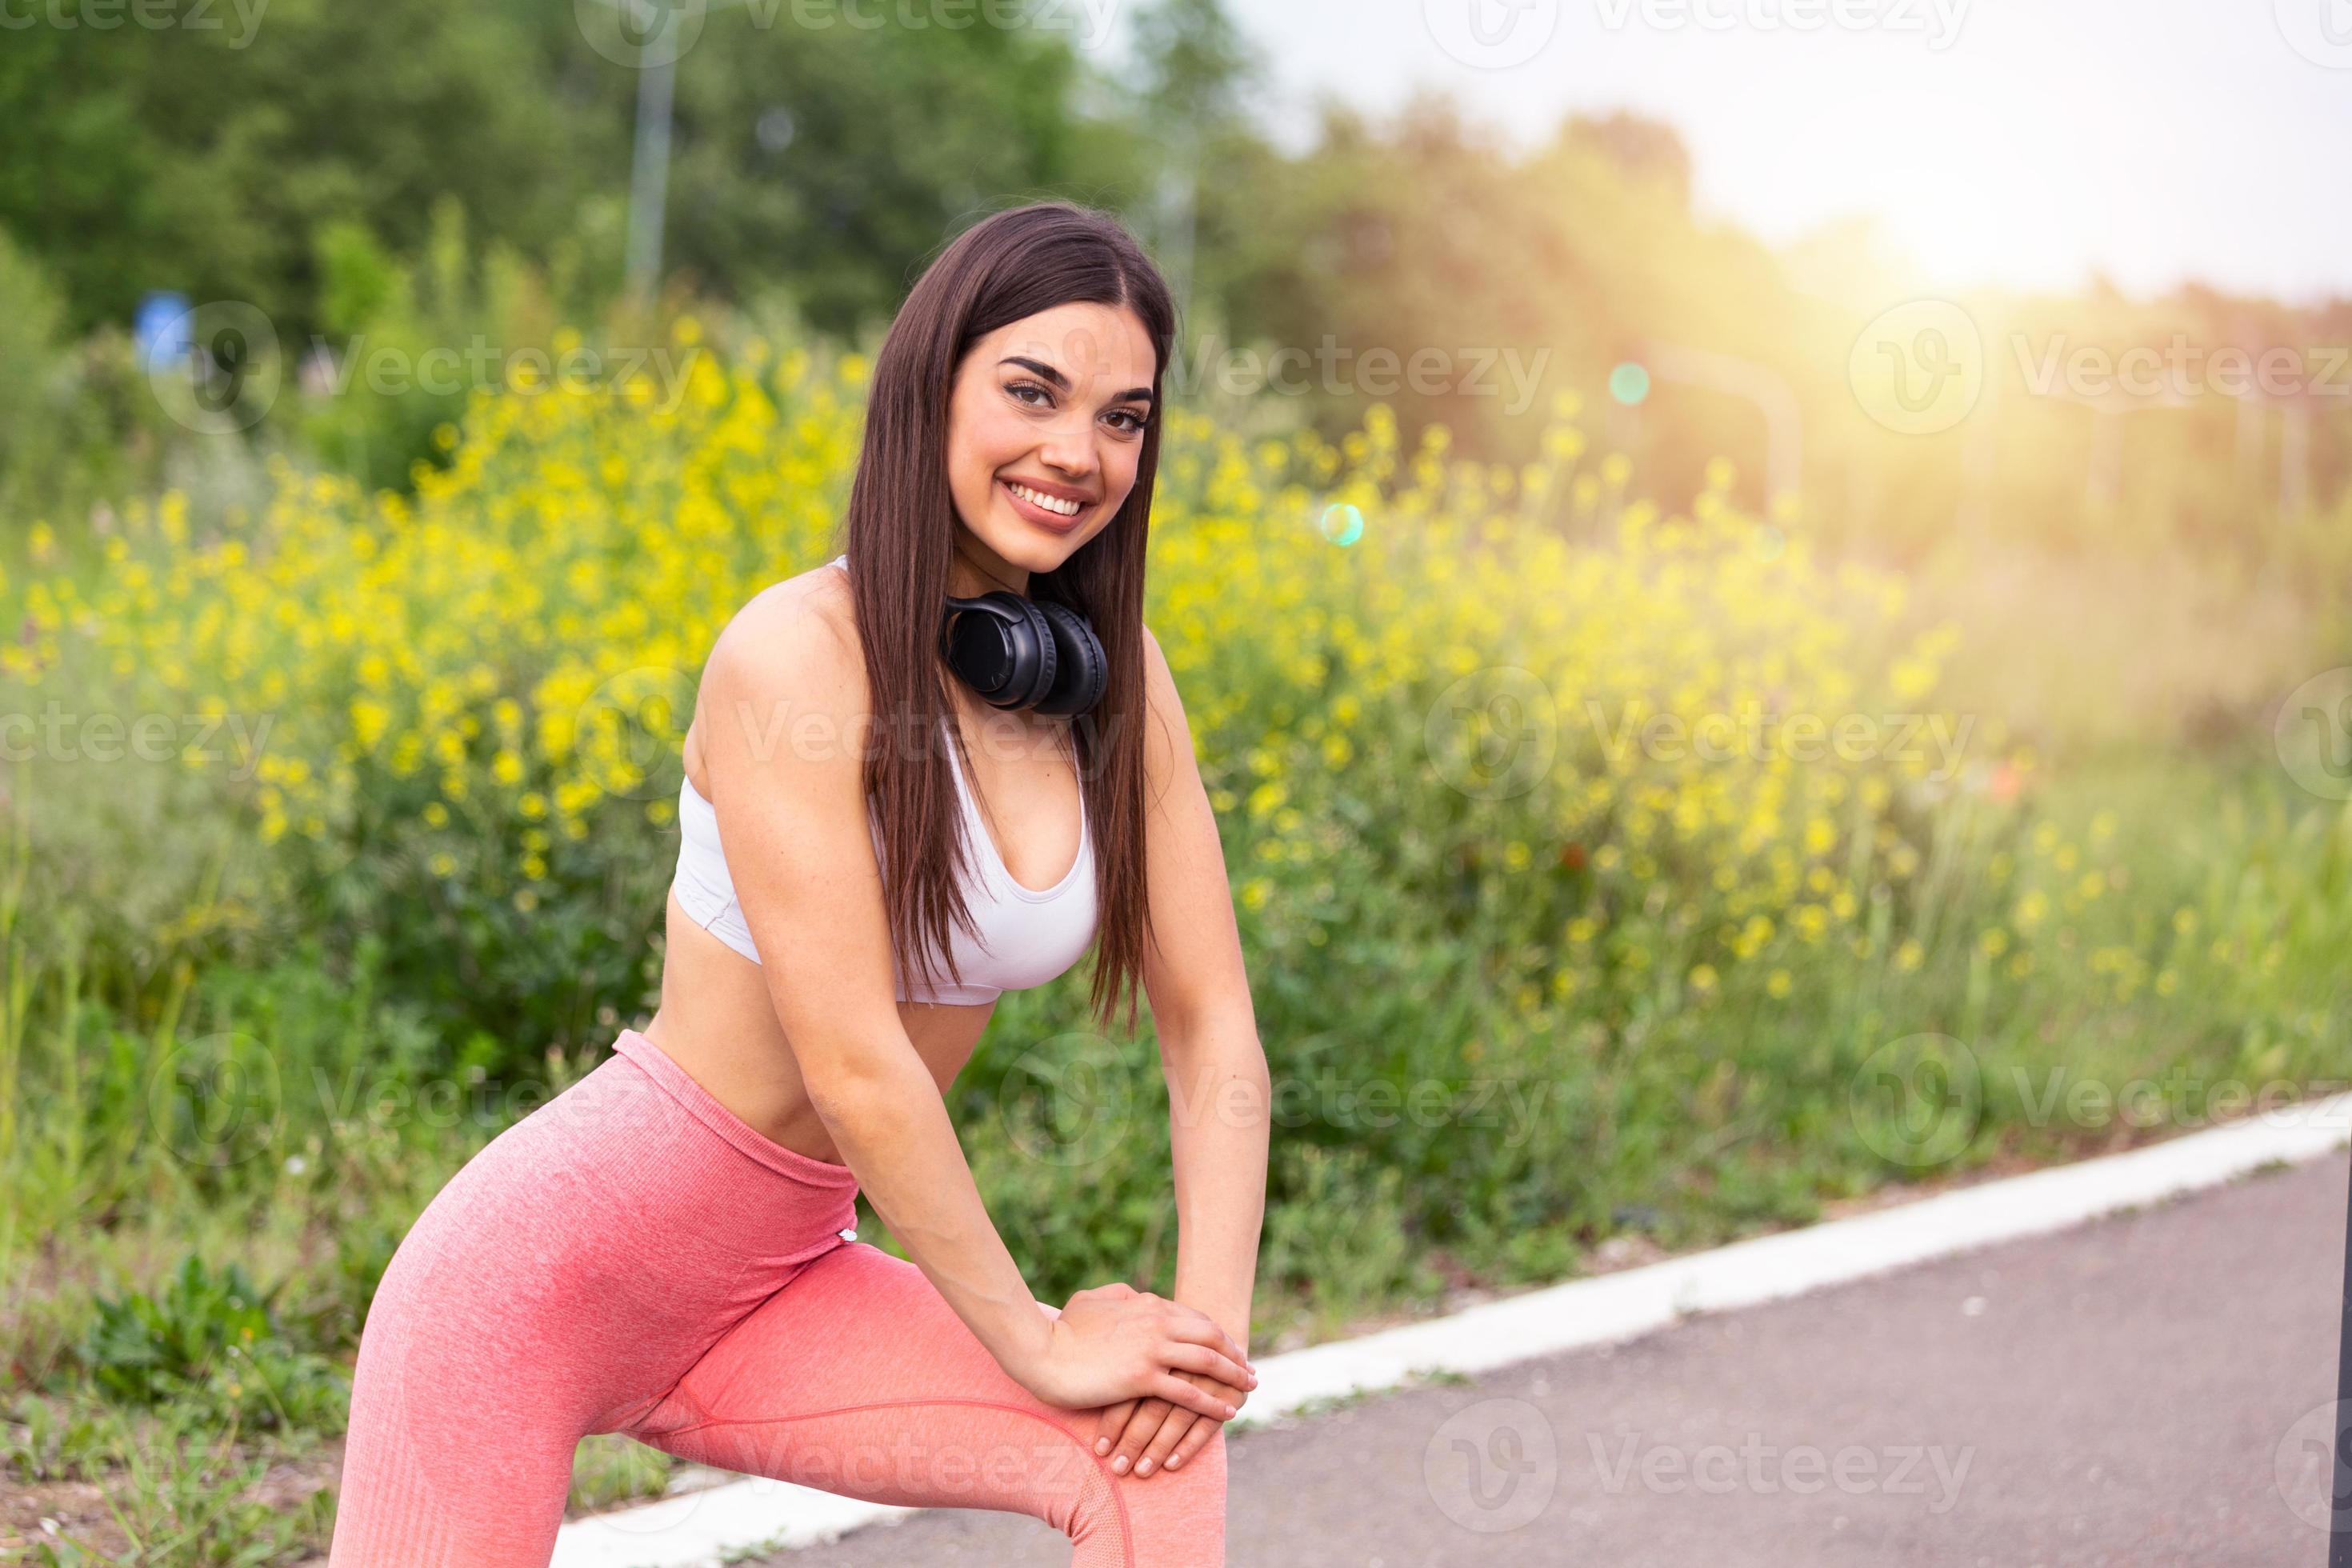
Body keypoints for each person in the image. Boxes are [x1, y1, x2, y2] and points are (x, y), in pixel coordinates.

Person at [327, 201, 1273, 1566]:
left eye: (1124, 418)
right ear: (930, 387)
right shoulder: (794, 659)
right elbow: (855, 1063)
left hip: (782, 1276)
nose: (1079, 452)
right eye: (1032, 392)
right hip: (538, 1284)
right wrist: (1035, 1337)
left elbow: (1213, 1020)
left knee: (1151, 1463)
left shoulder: (1116, 684)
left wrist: (1207, 1343)